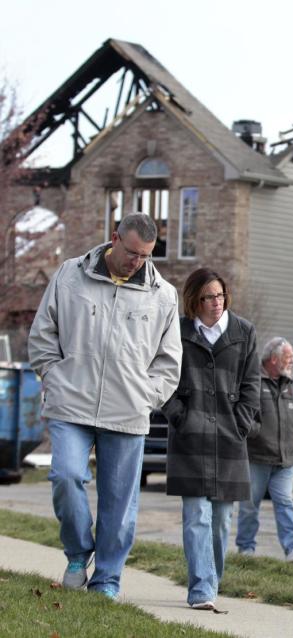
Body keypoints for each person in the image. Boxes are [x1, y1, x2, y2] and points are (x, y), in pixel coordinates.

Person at [28, 213, 182, 599]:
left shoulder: (162, 294)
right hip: (70, 403)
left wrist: (146, 397)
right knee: (65, 476)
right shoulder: (69, 275)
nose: (137, 262)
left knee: (119, 505)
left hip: (127, 412)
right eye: (131, 252)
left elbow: (169, 361)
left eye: (145, 256)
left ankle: (107, 580)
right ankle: (79, 554)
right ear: (114, 238)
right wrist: (52, 375)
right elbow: (44, 331)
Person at [162, 267, 260, 610]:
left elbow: (252, 384)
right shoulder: (177, 331)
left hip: (229, 440)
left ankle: (211, 581)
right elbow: (161, 379)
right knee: (196, 518)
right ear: (194, 300)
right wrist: (180, 417)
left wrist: (241, 423)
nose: (215, 303)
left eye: (220, 295)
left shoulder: (244, 331)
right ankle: (202, 589)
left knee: (220, 523)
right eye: (207, 297)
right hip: (189, 438)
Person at [235, 337, 293, 563]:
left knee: (285, 502)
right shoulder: (253, 382)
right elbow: (241, 413)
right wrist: (255, 431)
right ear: (273, 359)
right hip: (256, 457)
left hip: (286, 460)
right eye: (288, 357)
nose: (292, 362)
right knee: (250, 506)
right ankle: (246, 550)